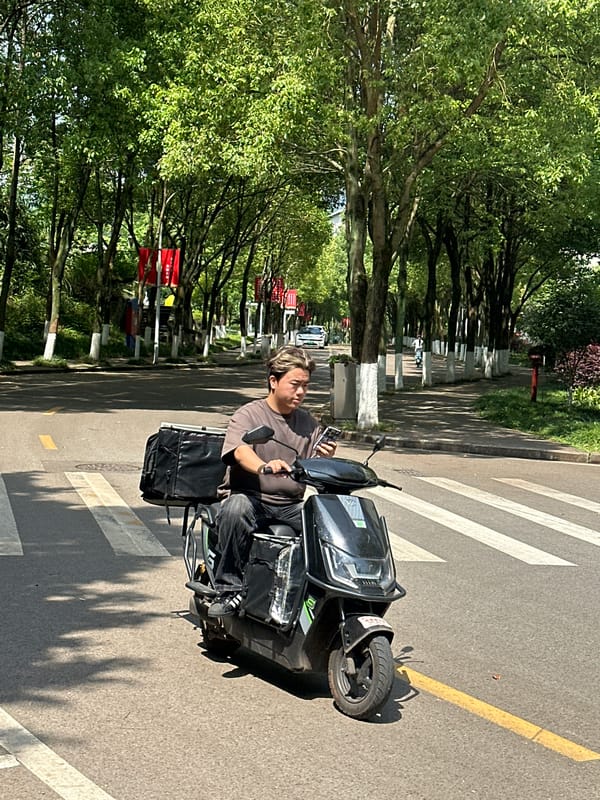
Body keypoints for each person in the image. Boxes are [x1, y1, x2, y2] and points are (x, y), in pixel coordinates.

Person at [208, 345, 337, 618]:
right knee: (235, 509)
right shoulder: (249, 414)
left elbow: (312, 467)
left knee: (326, 523)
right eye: (295, 385)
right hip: (252, 498)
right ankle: (229, 590)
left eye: (305, 386)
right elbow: (241, 451)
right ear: (274, 381)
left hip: (290, 505)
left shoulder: (309, 423)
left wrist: (327, 458)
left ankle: (316, 595)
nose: (301, 392)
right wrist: (264, 467)